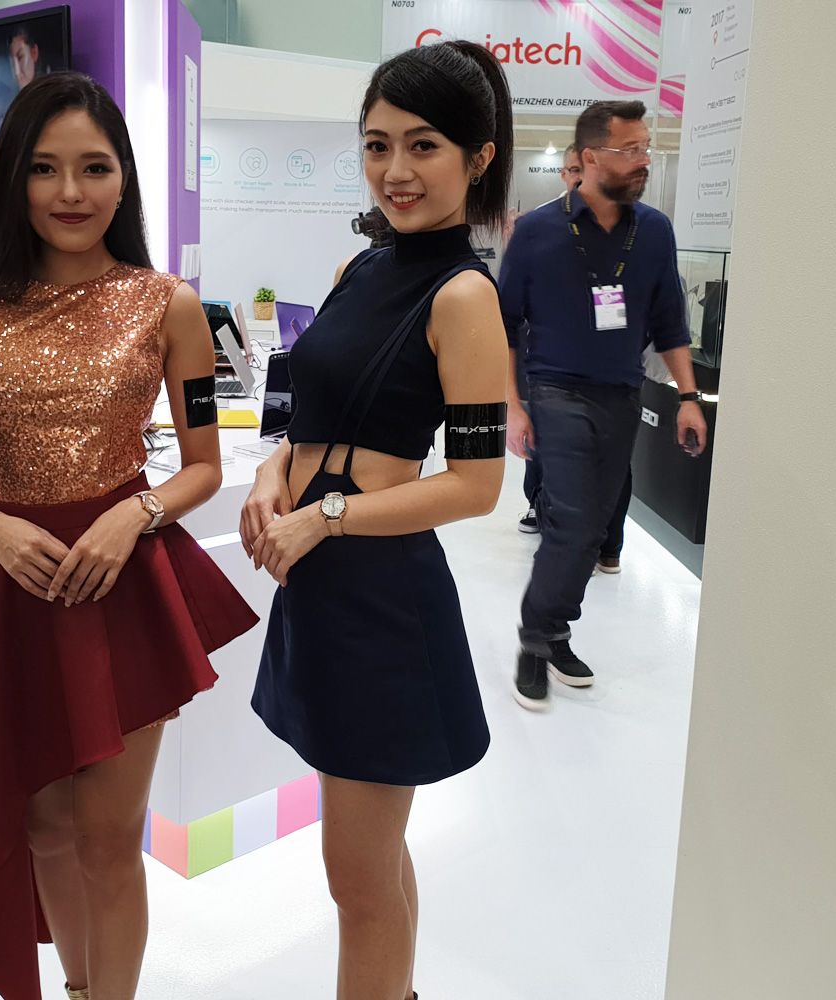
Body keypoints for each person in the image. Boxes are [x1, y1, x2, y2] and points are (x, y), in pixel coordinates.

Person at [0, 74, 257, 1000]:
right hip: (11, 587)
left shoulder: (167, 304)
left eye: (95, 168)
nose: (71, 192)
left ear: (124, 178)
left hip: (120, 586)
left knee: (108, 839)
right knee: (44, 827)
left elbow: (203, 466)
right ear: (13, 178)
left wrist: (137, 513)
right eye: (45, 168)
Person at [241, 40, 511, 1000]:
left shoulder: (465, 296)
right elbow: (309, 410)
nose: (396, 170)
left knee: (356, 878)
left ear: (478, 157)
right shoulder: (361, 268)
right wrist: (272, 471)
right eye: (377, 145)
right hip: (320, 582)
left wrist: (327, 516)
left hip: (382, 600)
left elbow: (477, 486)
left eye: (423, 145)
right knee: (373, 864)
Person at [499, 100, 709, 710]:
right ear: (590, 158)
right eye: (630, 150)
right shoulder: (537, 232)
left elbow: (669, 322)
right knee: (569, 517)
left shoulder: (655, 231)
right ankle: (535, 641)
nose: (644, 160)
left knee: (595, 527)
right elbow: (504, 325)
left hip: (622, 393)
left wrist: (688, 398)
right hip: (555, 389)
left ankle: (553, 630)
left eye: (646, 148)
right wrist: (513, 405)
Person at [518, 142, 583, 534]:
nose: (580, 178)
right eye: (573, 170)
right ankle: (536, 505)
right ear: (563, 174)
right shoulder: (540, 223)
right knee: (540, 437)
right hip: (548, 355)